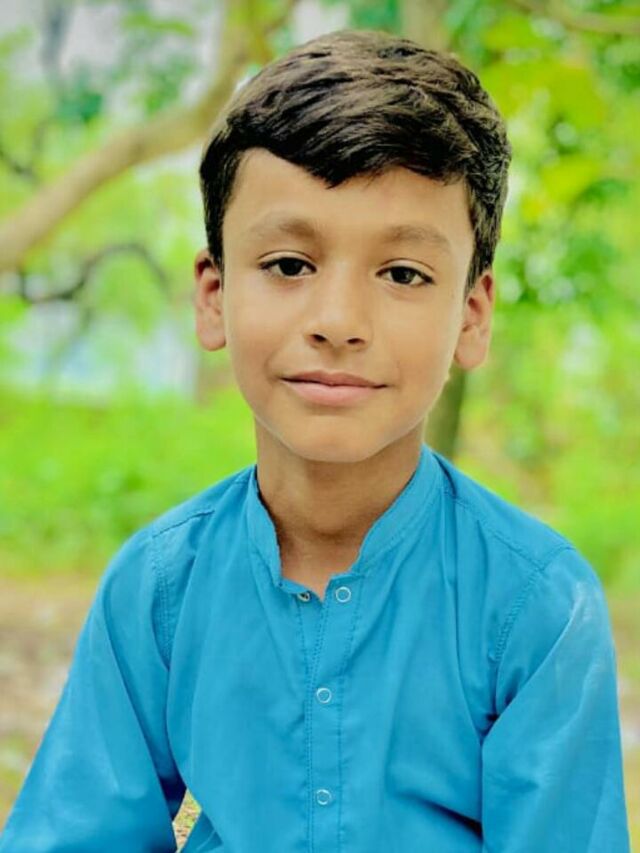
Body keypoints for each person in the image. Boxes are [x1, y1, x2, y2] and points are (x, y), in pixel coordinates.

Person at [0, 28, 630, 853]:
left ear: (472, 316)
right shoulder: (159, 590)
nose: (338, 322)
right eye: (290, 264)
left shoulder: (536, 606)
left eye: (403, 273)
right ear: (214, 295)